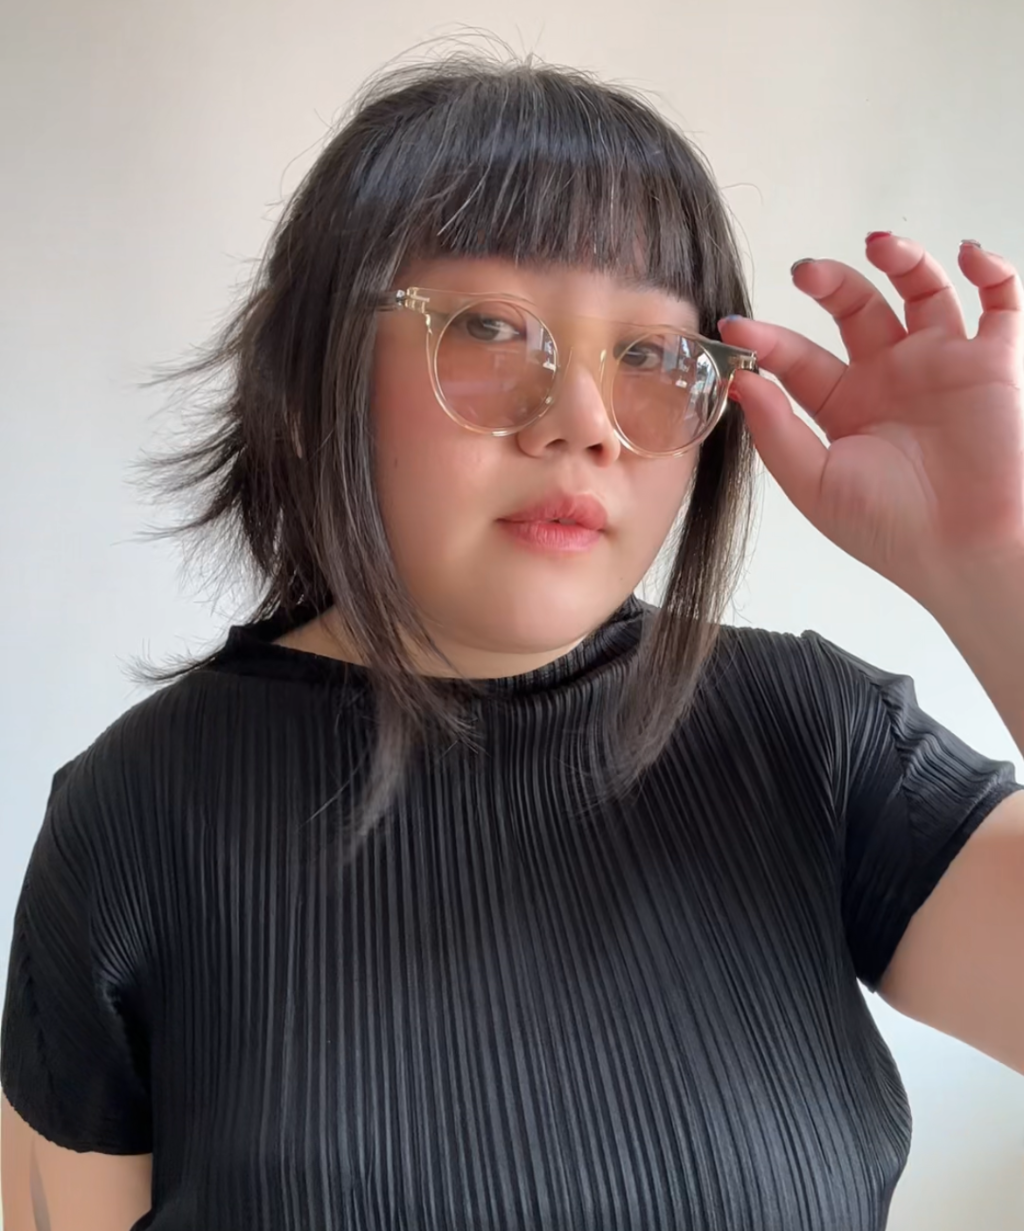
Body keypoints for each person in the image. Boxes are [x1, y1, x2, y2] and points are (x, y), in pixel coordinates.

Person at [1, 52, 1022, 1231]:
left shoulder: (812, 737)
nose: (584, 422)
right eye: (490, 328)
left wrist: (991, 559)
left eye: (651, 355)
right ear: (306, 373)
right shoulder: (135, 814)